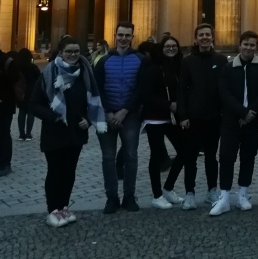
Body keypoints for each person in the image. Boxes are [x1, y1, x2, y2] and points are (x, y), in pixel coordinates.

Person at [28, 37, 107, 227]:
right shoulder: (48, 73)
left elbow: (92, 101)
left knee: (70, 172)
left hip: (76, 133)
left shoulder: (85, 72)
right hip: (54, 132)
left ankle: (64, 207)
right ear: (61, 52)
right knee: (55, 171)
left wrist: (88, 120)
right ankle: (52, 210)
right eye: (69, 51)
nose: (73, 55)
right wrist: (53, 116)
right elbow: (33, 104)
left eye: (76, 51)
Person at [211, 31, 258, 216]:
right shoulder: (229, 68)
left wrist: (250, 112)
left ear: (256, 46)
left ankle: (243, 194)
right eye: (246, 44)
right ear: (240, 45)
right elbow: (224, 93)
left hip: (253, 121)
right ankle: (224, 197)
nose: (249, 47)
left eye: (252, 45)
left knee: (248, 157)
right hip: (232, 120)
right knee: (226, 157)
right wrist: (242, 112)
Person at [94, 21, 147, 214]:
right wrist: (108, 112)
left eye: (127, 35)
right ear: (115, 36)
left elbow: (141, 89)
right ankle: (112, 198)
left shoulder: (141, 60)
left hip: (130, 115)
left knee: (131, 156)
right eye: (121, 35)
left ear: (133, 37)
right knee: (108, 157)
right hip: (107, 114)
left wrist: (124, 111)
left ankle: (129, 196)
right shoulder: (103, 60)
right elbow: (97, 89)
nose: (124, 39)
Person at [178, 23, 227, 210]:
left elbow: (225, 88)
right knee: (190, 157)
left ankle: (212, 189)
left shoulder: (221, 60)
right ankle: (189, 193)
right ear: (195, 39)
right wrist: (183, 115)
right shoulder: (188, 61)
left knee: (211, 157)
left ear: (213, 37)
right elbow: (182, 89)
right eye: (201, 35)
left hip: (214, 117)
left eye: (208, 34)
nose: (205, 37)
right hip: (193, 117)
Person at [143, 36, 186, 209]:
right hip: (155, 118)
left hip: (172, 117)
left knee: (184, 151)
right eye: (167, 46)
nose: (171, 48)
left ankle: (168, 188)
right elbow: (147, 94)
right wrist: (169, 104)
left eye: (174, 46)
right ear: (161, 48)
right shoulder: (153, 68)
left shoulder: (179, 66)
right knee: (156, 156)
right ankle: (157, 195)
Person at [0, 50, 22, 177]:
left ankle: (5, 164)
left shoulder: (7, 61)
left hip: (5, 105)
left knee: (3, 133)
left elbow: (15, 78)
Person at [14, 48, 40, 141]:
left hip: (21, 92)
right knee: (30, 113)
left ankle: (21, 134)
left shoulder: (17, 68)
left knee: (21, 112)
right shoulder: (33, 67)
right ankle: (28, 134)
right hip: (31, 92)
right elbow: (39, 79)